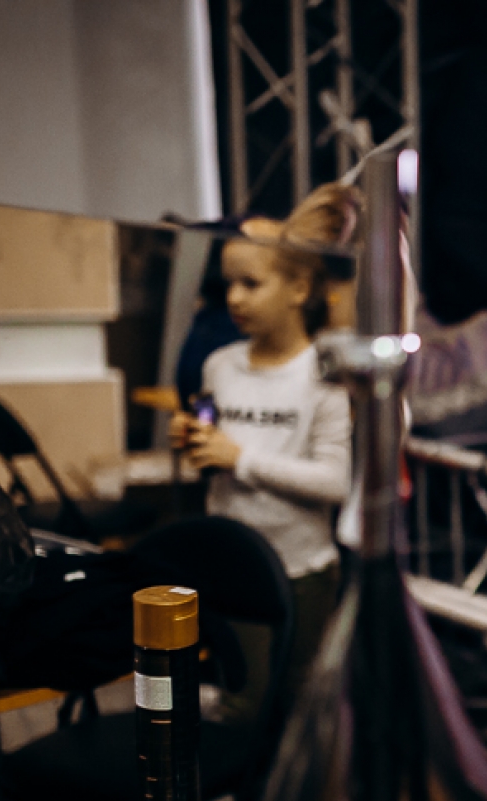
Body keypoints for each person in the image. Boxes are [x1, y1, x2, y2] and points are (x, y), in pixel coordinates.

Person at [169, 183, 360, 715]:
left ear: (299, 288)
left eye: (251, 284)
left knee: (299, 705)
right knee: (243, 700)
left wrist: (241, 459)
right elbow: (216, 449)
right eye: (228, 284)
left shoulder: (324, 375)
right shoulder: (220, 365)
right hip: (231, 561)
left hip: (302, 571)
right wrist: (196, 442)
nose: (233, 299)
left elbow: (335, 482)